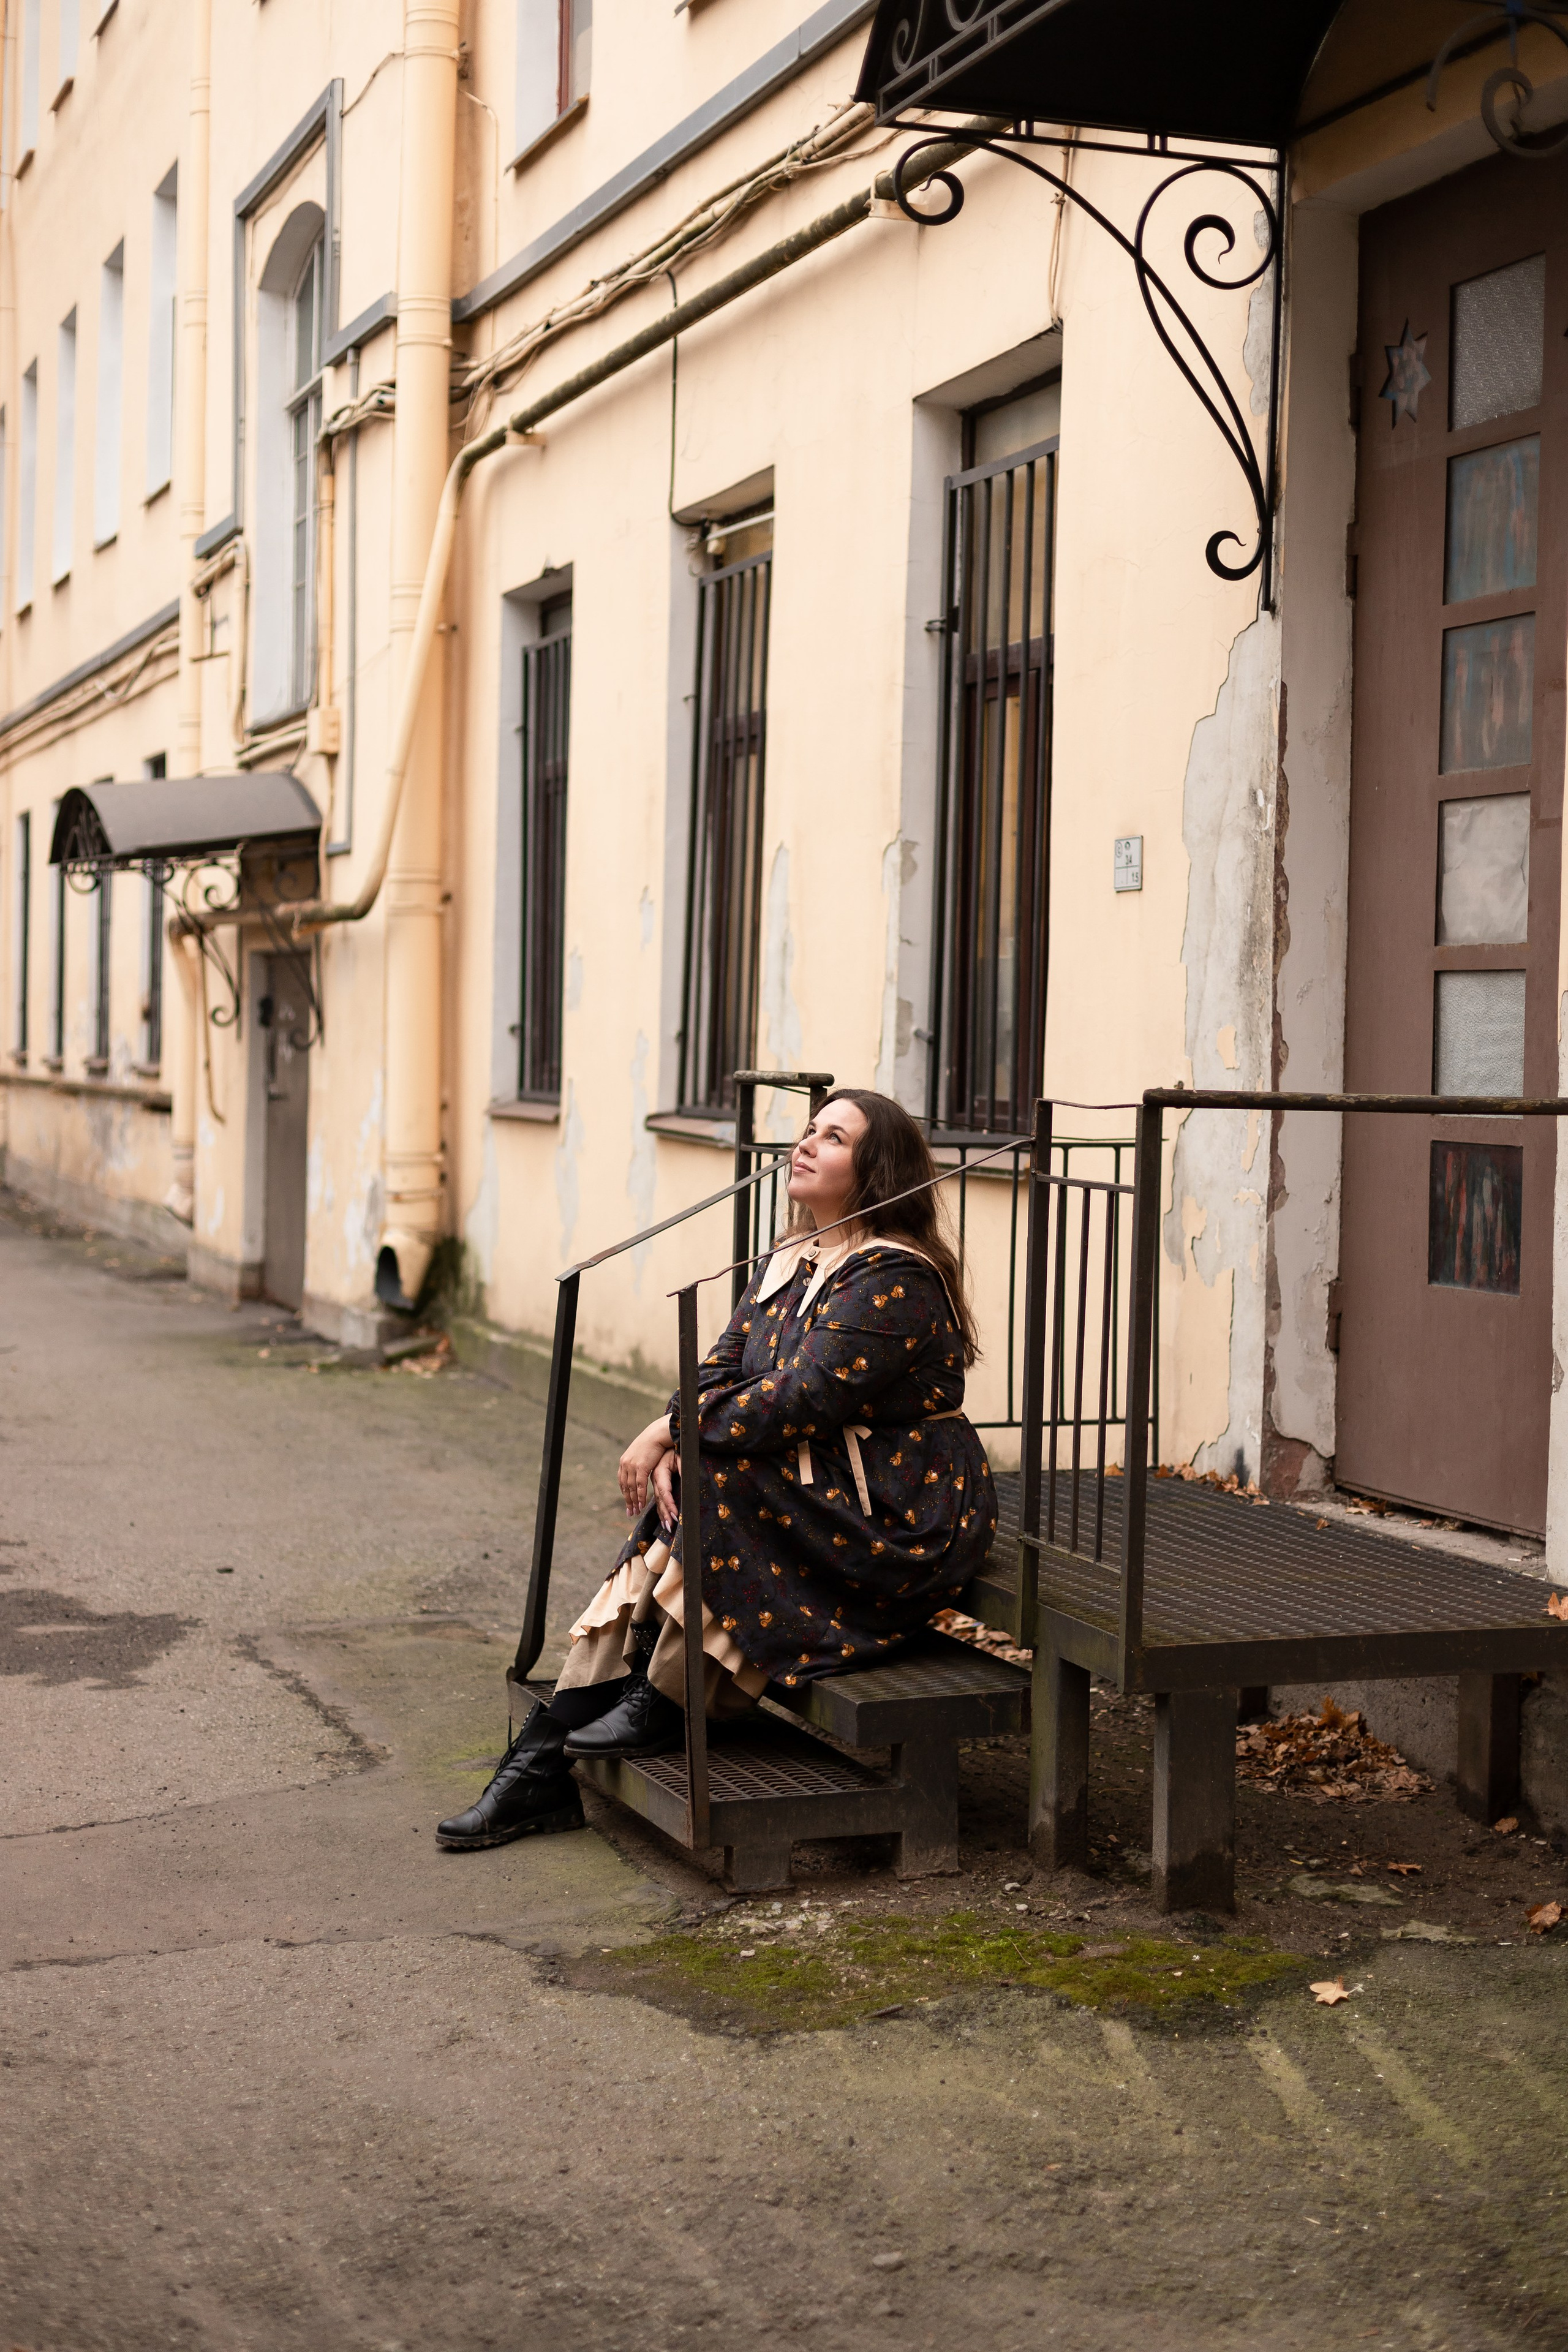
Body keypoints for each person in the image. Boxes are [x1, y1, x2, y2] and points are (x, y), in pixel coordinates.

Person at [436, 1088, 997, 1850]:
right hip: (819, 1480)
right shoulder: (793, 1258)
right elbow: (725, 1365)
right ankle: (556, 1748)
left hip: (901, 1513)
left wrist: (674, 1438)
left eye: (832, 1138)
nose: (804, 1144)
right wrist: (670, 1434)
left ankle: (645, 1706)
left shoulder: (892, 1278)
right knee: (698, 1484)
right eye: (807, 1130)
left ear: (875, 1169)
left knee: (712, 1481)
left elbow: (798, 1400)